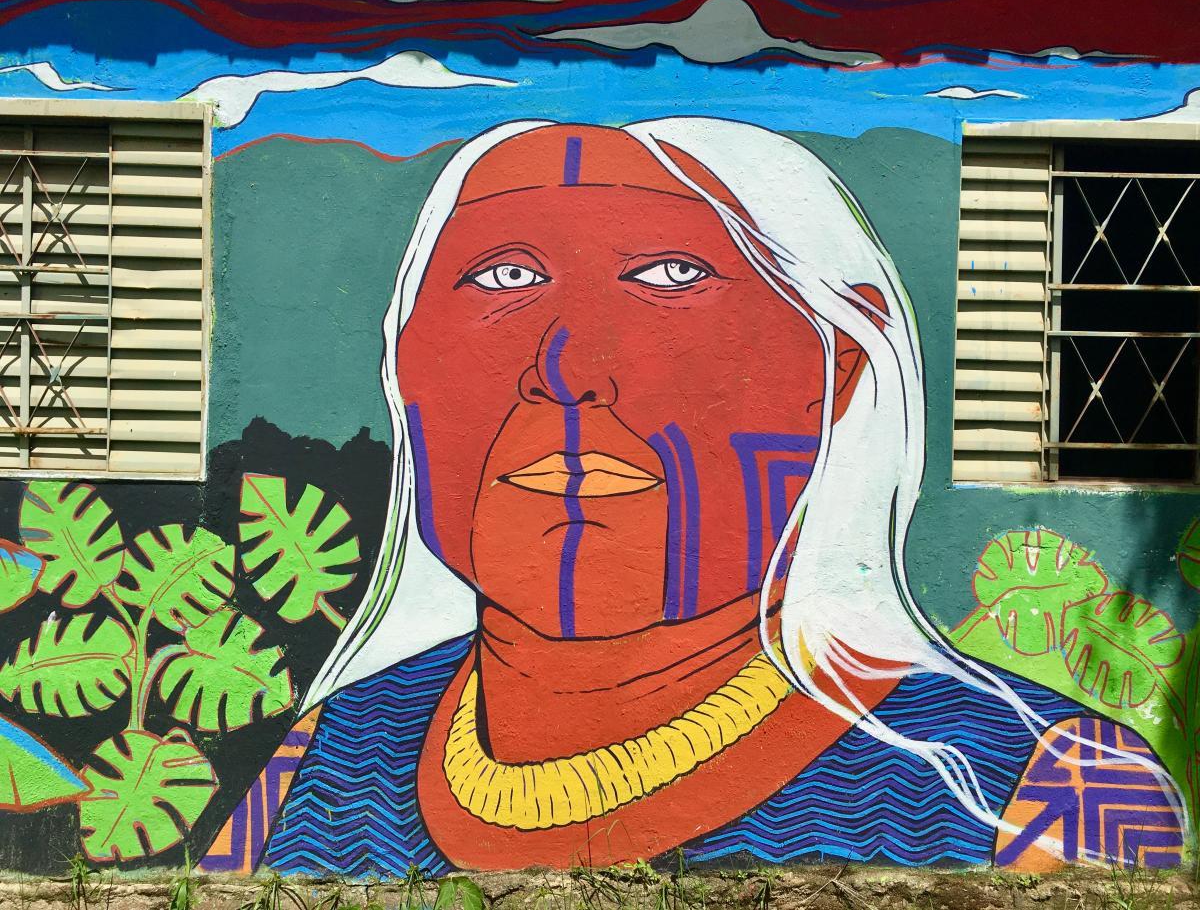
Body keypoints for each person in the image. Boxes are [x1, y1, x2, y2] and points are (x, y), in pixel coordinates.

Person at [260, 118, 1183, 875]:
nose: (568, 369)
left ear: (839, 369)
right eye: (505, 277)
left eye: (670, 277)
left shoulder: (1049, 789)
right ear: (403, 367)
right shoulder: (318, 768)